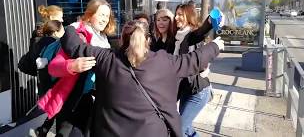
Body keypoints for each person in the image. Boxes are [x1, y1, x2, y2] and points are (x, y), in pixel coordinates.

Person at [59, 19, 224, 137]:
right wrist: (215, 46)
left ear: (122, 39)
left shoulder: (105, 58)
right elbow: (194, 60)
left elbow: (74, 46)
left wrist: (73, 27)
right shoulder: (165, 62)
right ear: (148, 40)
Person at [37, 0, 116, 137]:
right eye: (101, 14)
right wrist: (72, 65)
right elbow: (54, 67)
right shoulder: (80, 35)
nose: (105, 19)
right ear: (90, 14)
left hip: (90, 97)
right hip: (73, 99)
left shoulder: (103, 38)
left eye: (107, 16)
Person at [174, 3, 214, 137]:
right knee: (187, 128)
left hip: (198, 91)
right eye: (176, 14)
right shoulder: (177, 36)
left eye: (180, 14)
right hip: (187, 90)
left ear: (189, 16)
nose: (176, 17)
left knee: (179, 129)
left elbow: (200, 33)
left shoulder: (190, 35)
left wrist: (210, 21)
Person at [29, 5, 64, 137]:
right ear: (52, 19)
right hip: (50, 80)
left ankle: (42, 131)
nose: (62, 20)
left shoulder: (41, 35)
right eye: (60, 18)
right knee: (58, 110)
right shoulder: (47, 38)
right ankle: (43, 131)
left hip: (48, 80)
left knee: (57, 109)